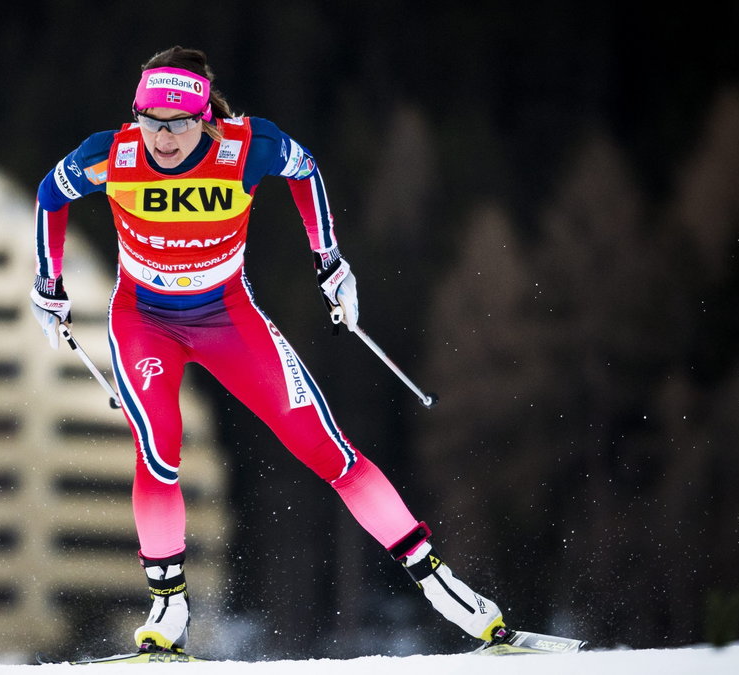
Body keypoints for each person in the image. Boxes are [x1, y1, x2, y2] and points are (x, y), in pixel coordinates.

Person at [29, 46, 506, 654]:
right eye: (151, 120)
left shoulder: (247, 147)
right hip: (144, 320)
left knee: (327, 449)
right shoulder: (112, 155)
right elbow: (50, 195)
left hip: (228, 317)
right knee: (159, 450)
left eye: (177, 123)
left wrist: (329, 263)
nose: (163, 138)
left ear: (204, 117)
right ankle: (168, 608)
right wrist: (49, 287)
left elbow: (306, 173)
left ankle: (442, 587)